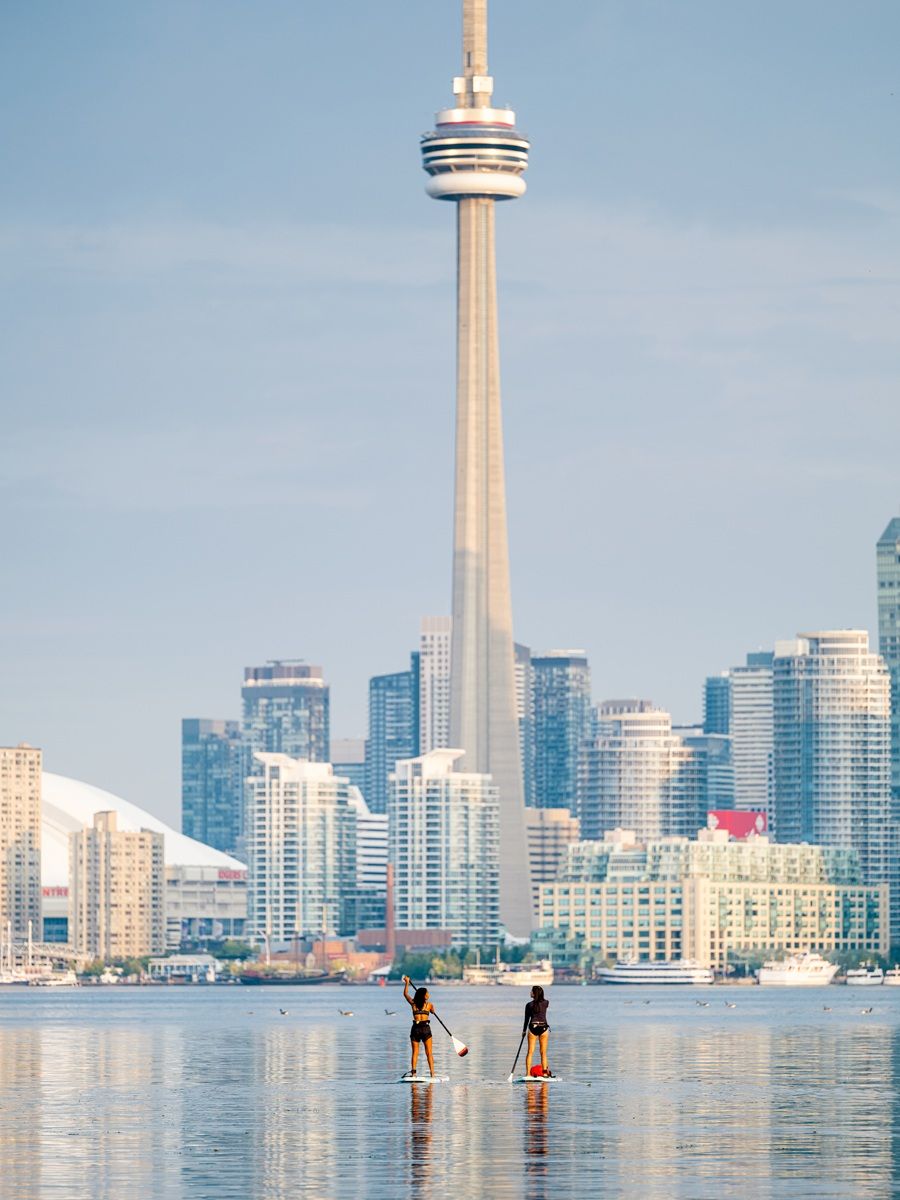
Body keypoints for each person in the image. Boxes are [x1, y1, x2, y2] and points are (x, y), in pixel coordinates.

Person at [402, 976, 436, 1078]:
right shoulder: (429, 1005)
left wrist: (407, 982)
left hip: (415, 1029)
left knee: (415, 1053)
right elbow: (433, 1012)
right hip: (425, 1029)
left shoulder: (413, 1004)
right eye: (427, 993)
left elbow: (405, 994)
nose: (429, 994)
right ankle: (432, 1074)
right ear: (424, 996)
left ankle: (414, 1074)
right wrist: (432, 1011)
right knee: (429, 1053)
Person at [523, 984, 553, 1077]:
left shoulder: (529, 1005)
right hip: (544, 1028)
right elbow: (542, 1002)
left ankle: (528, 1074)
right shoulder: (546, 1003)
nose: (530, 992)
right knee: (543, 1052)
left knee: (530, 1052)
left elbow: (526, 1019)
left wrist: (524, 1031)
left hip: (533, 1027)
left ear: (534, 993)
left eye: (531, 991)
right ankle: (544, 1074)